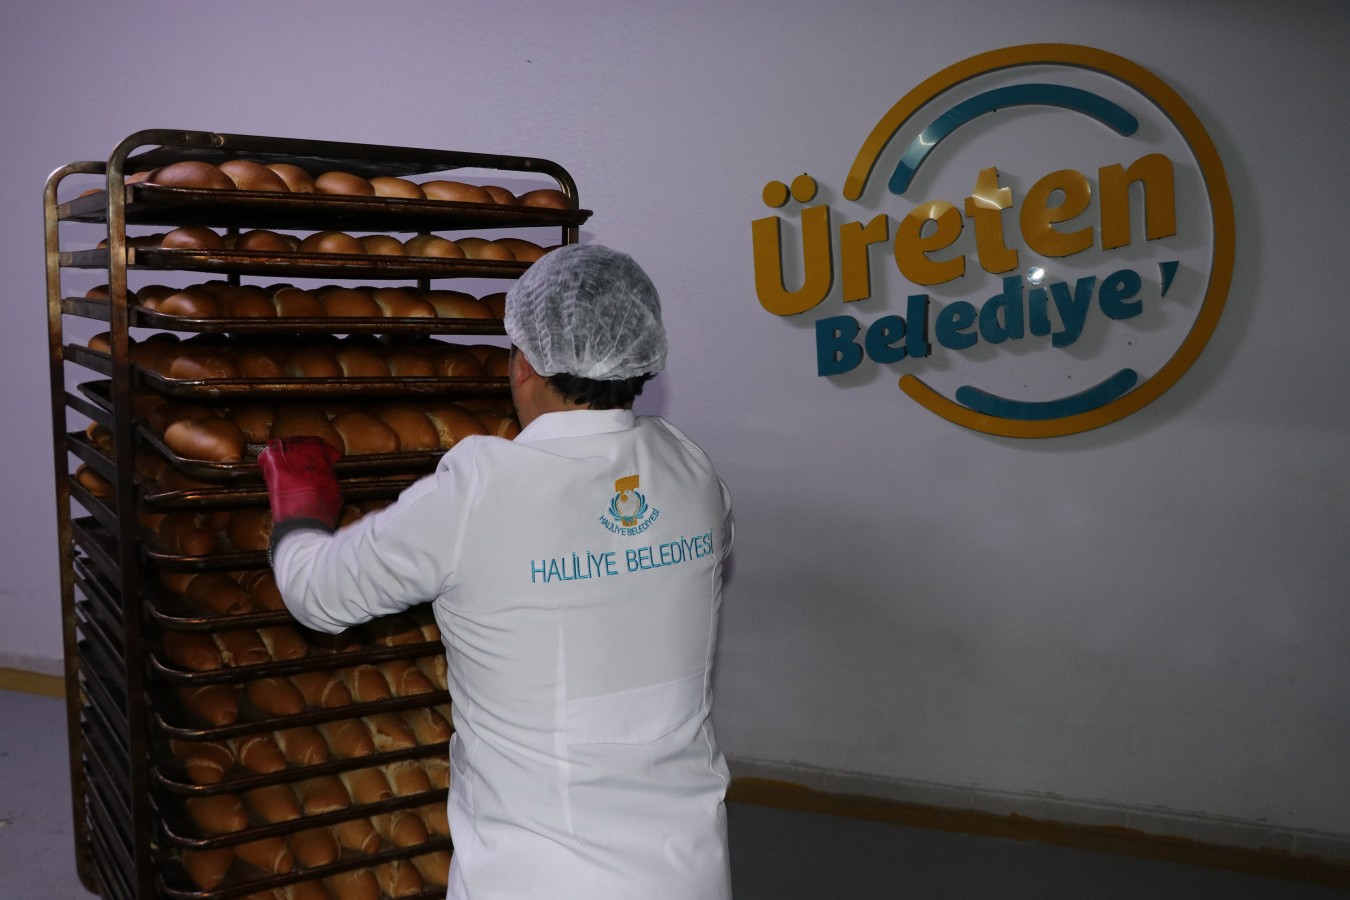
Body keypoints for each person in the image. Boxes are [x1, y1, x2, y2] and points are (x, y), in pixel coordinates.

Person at [259, 243, 735, 900]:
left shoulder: (481, 488)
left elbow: (316, 594)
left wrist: (299, 515)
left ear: (526, 362)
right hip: (688, 868)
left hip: (540, 878)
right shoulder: (692, 469)